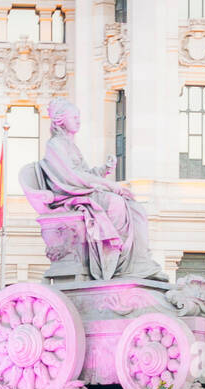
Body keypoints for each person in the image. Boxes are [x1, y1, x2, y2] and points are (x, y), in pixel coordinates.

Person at [27, 98, 166, 282]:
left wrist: (104, 170)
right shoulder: (55, 145)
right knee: (116, 202)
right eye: (74, 117)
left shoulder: (70, 145)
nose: (78, 121)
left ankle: (138, 261)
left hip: (82, 191)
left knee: (136, 209)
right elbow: (72, 177)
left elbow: (83, 173)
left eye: (79, 117)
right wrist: (111, 185)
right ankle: (115, 263)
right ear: (61, 120)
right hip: (70, 196)